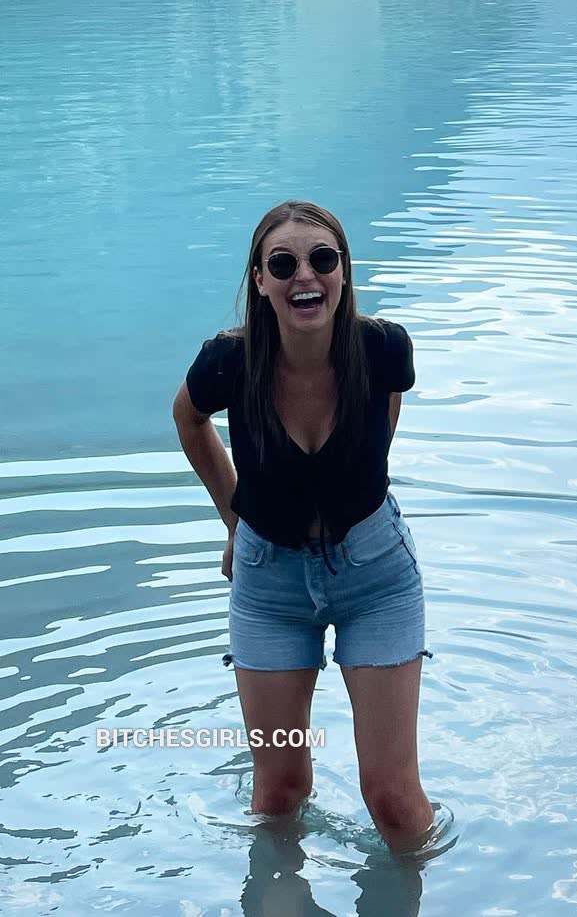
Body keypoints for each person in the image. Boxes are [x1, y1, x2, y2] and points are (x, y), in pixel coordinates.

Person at [172, 199, 435, 852]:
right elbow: (188, 419)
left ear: (344, 270)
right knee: (278, 793)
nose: (305, 277)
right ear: (260, 279)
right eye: (283, 264)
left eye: (322, 259)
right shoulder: (229, 363)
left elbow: (384, 413)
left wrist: (357, 480)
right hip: (270, 589)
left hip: (377, 578)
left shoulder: (383, 349)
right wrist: (234, 520)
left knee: (394, 802)